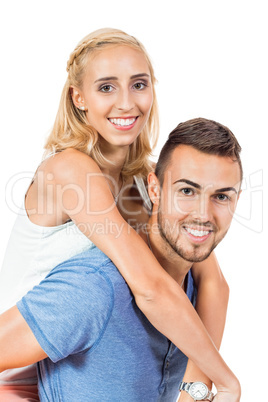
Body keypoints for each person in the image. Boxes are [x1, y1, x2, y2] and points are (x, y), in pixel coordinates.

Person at [0, 28, 234, 399]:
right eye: (107, 88)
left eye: (138, 85)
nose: (127, 103)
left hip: (89, 371)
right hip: (18, 378)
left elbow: (211, 283)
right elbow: (151, 287)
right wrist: (227, 380)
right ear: (79, 98)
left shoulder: (147, 179)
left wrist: (196, 387)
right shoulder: (68, 170)